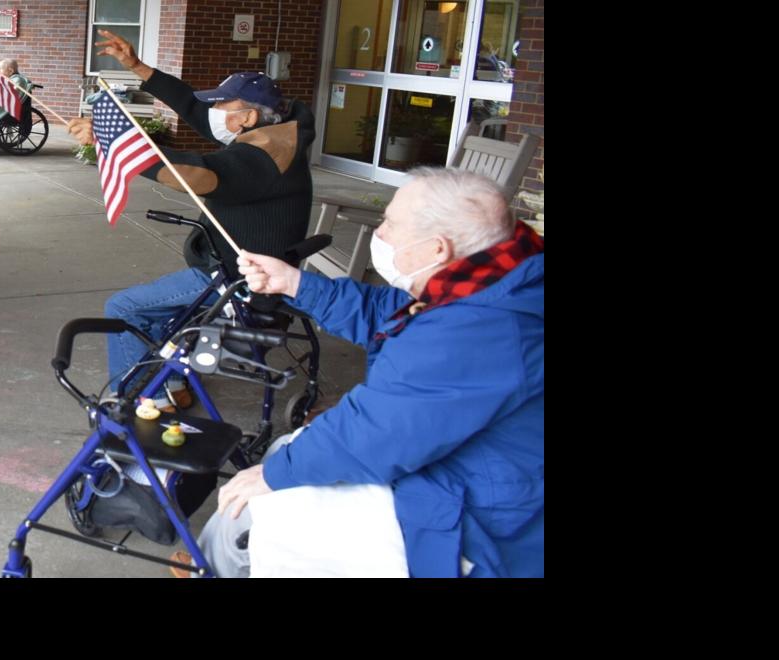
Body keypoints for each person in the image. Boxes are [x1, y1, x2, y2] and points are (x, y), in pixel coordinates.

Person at [183, 168, 544, 579]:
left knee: (258, 508)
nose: (381, 233)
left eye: (390, 223)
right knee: (287, 450)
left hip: (482, 518)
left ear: (437, 248)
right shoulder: (500, 279)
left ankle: (216, 565)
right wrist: (295, 283)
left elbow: (376, 432)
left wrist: (273, 475)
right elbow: (394, 314)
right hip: (471, 468)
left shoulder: (481, 331)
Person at [67, 29, 315, 401]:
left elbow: (196, 174)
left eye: (222, 108)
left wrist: (111, 139)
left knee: (125, 307)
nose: (213, 114)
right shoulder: (273, 132)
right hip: (243, 268)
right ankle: (174, 384)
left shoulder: (261, 157)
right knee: (162, 311)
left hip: (236, 281)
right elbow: (191, 105)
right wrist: (137, 66)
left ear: (247, 117)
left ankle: (131, 403)